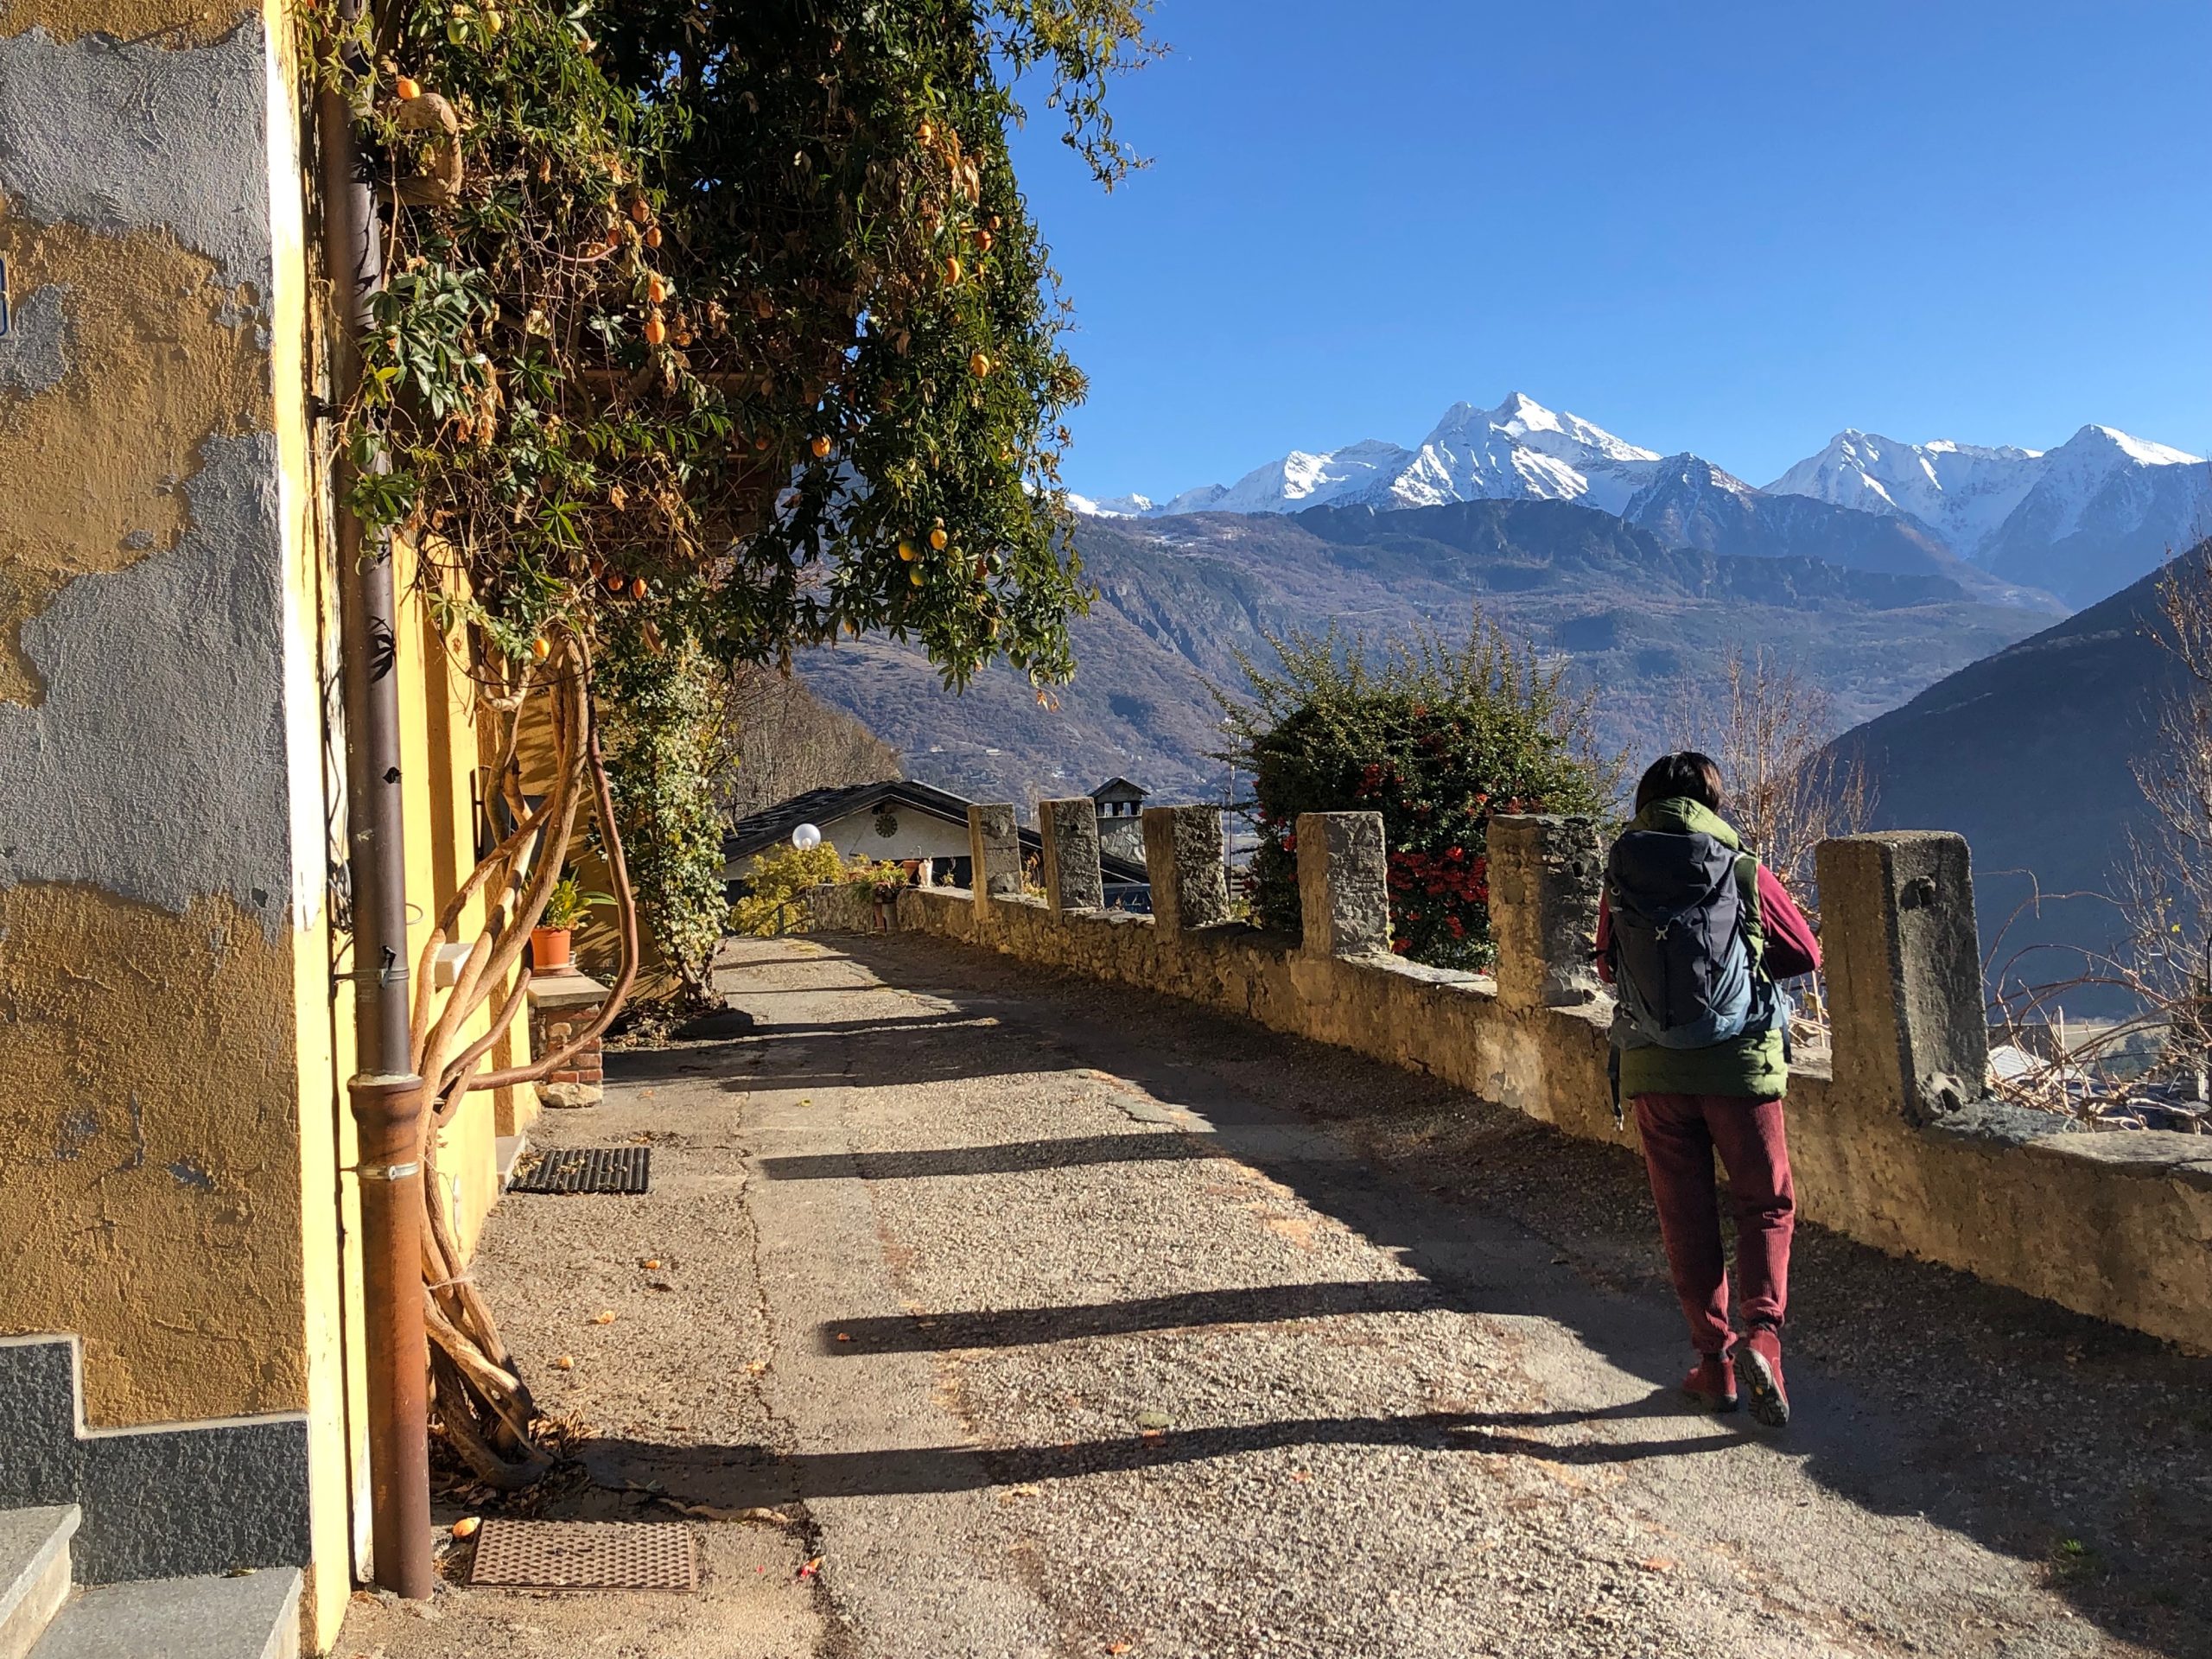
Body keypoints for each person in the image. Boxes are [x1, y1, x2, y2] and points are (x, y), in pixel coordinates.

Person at [1594, 752, 1821, 1427]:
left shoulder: (1622, 870)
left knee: (1684, 1214)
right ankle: (1764, 1338)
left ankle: (1714, 1361)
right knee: (1765, 1203)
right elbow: (1804, 953)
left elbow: (1607, 964)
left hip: (1654, 1073)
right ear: (1713, 804)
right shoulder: (1742, 868)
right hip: (1739, 1067)